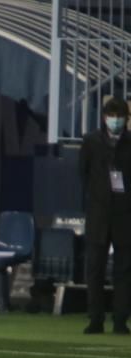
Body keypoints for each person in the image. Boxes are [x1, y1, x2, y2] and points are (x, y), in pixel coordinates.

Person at [78, 96, 131, 335]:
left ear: (127, 119)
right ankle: (95, 319)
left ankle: (120, 320)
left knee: (124, 271)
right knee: (95, 269)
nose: (116, 120)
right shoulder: (90, 142)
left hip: (126, 215)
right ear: (104, 117)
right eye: (112, 116)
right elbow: (83, 174)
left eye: (120, 116)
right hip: (98, 215)